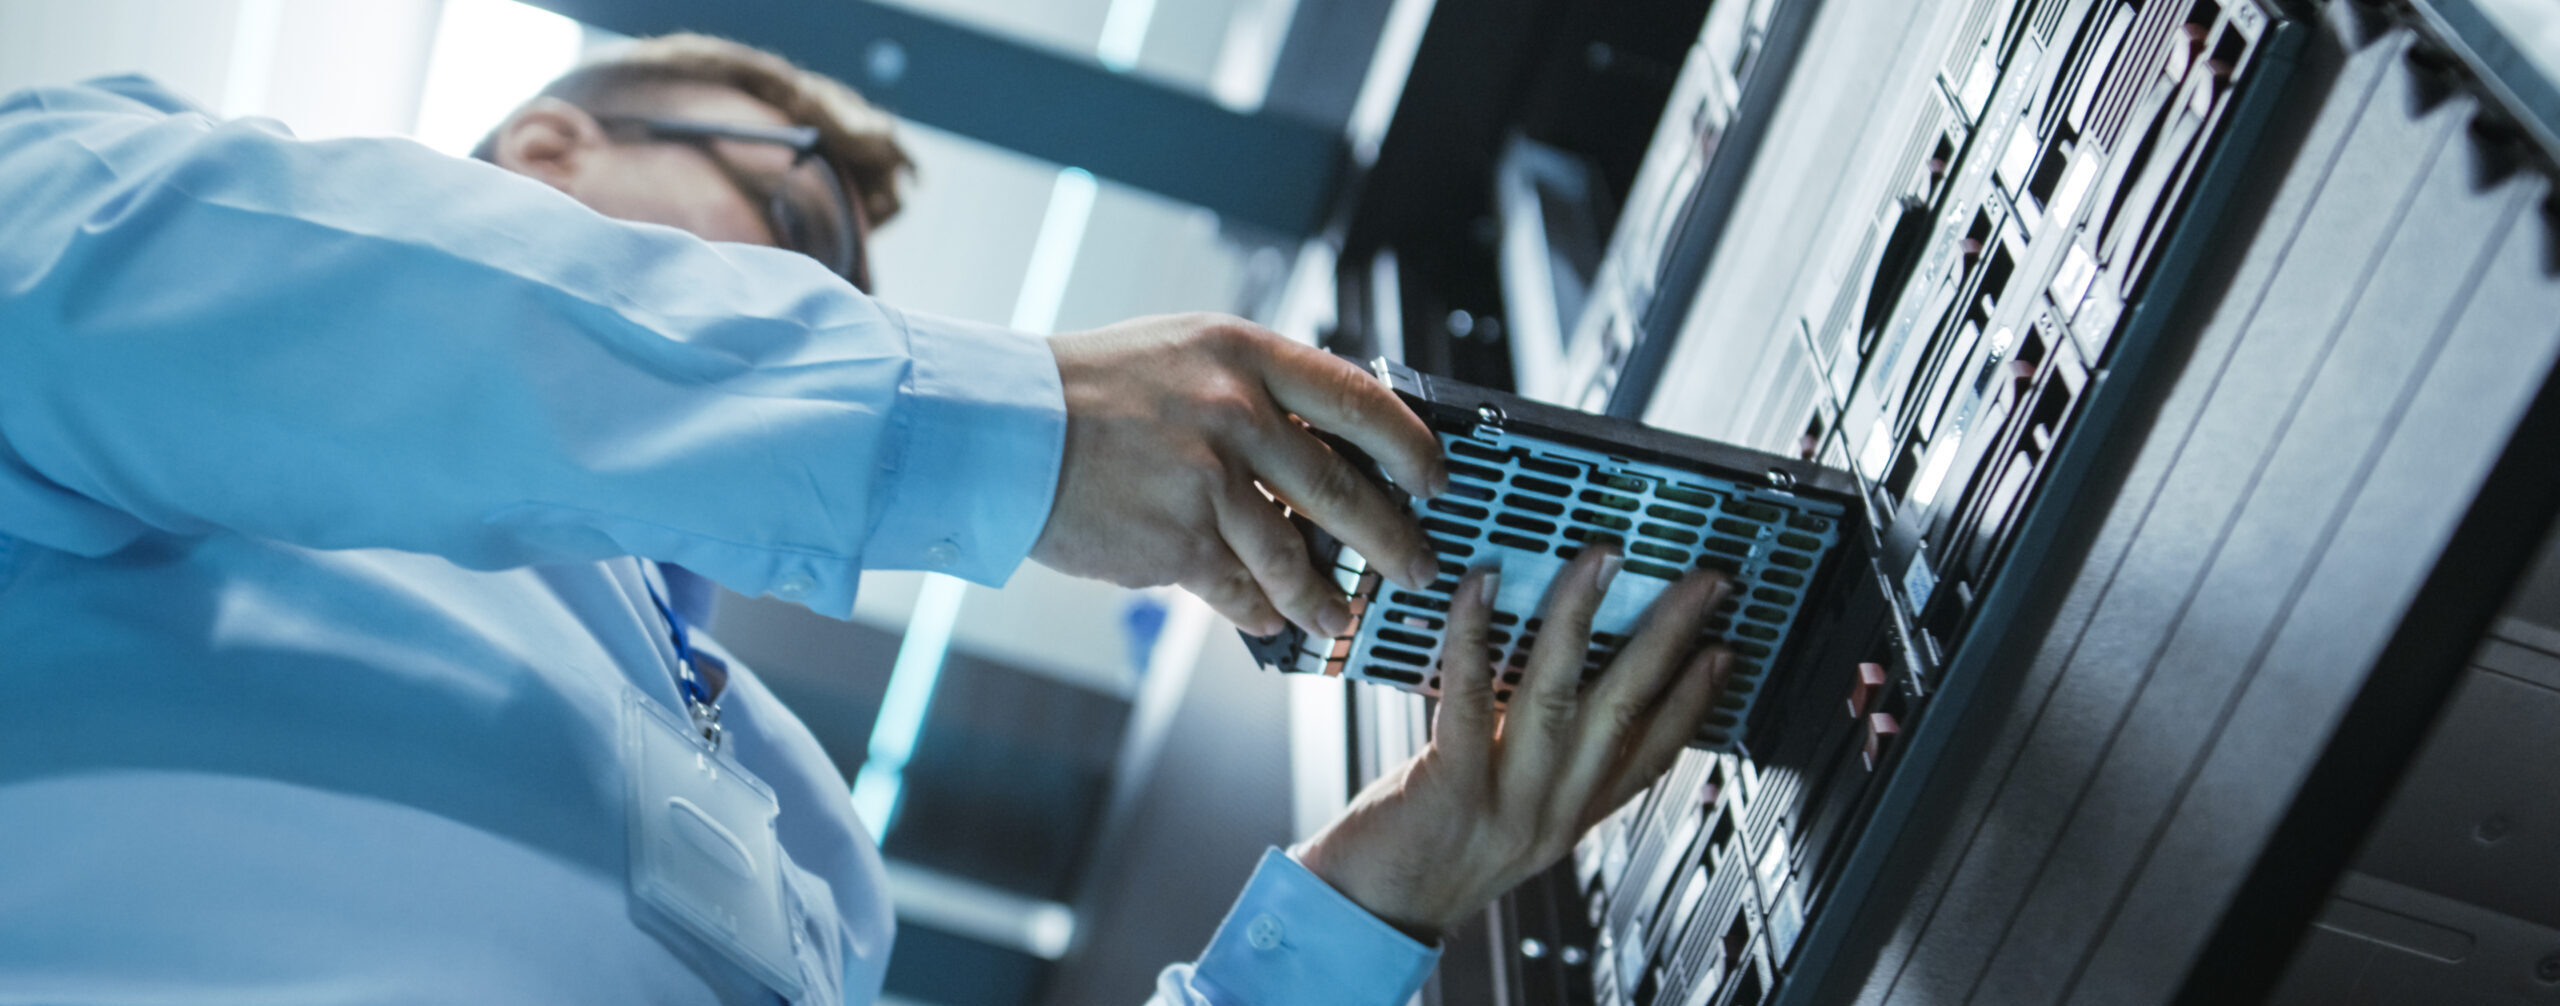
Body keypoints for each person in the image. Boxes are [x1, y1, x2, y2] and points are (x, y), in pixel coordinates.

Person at [0, 34, 1734, 1005]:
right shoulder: (98, 224)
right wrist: (994, 427)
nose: (811, 293)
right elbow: (127, 279)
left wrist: (1377, 898)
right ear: (545, 147)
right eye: (793, 206)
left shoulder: (806, 845)